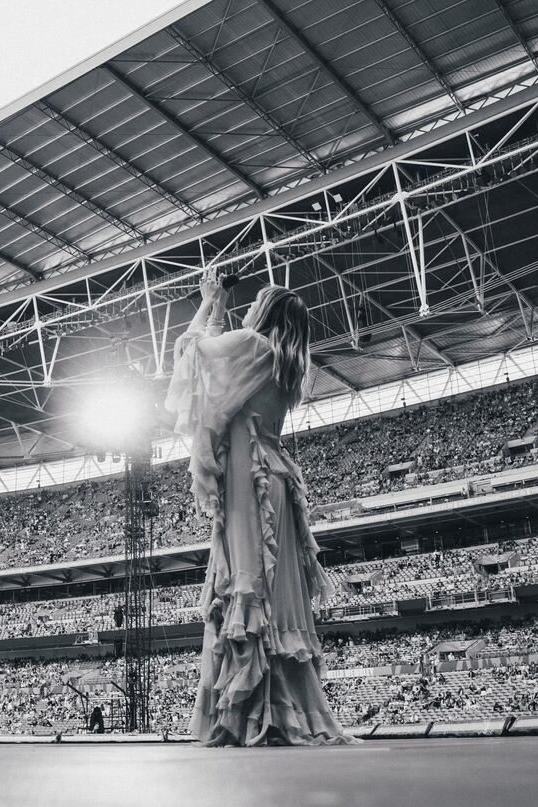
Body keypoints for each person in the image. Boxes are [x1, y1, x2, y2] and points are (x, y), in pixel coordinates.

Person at [165, 271, 359, 747]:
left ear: (265, 312)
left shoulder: (253, 347)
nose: (248, 310)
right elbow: (225, 382)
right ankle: (280, 707)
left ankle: (249, 714)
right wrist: (224, 317)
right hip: (275, 481)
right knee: (273, 595)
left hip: (248, 486)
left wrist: (209, 304)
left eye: (255, 304)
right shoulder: (285, 364)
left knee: (246, 583)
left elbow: (193, 357)